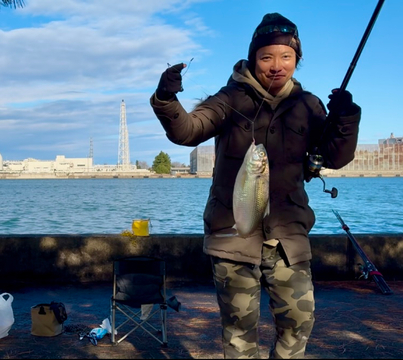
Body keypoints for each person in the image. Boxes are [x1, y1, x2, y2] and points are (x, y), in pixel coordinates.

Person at [150, 12, 361, 359]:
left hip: (287, 237)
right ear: (253, 58)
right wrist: (166, 99)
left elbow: (335, 157)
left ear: (297, 60)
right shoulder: (229, 99)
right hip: (231, 236)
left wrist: (345, 117)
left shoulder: (307, 105)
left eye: (286, 57)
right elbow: (187, 131)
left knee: (299, 323)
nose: (277, 65)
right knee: (238, 335)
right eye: (267, 57)